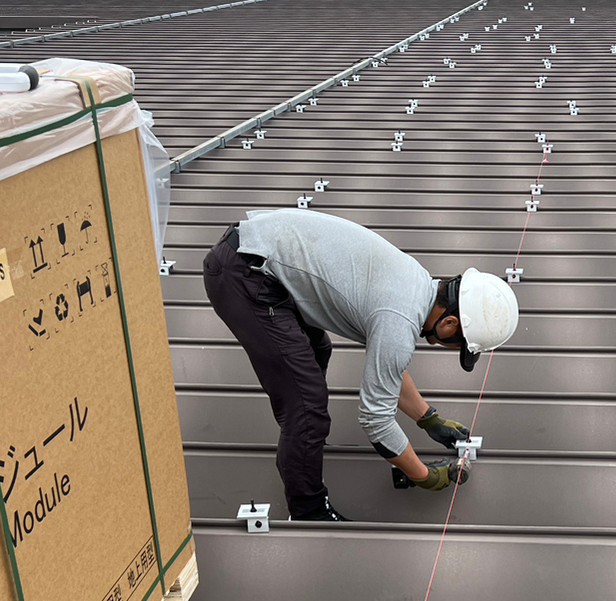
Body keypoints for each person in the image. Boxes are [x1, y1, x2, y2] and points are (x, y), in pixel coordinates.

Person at [201, 209, 519, 521]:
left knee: (317, 352)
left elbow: (387, 369)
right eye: (459, 346)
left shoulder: (419, 285)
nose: (453, 349)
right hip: (245, 274)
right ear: (449, 324)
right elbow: (375, 420)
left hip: (259, 256)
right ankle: (308, 509)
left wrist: (428, 419)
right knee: (307, 404)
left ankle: (303, 443)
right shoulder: (399, 320)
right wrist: (423, 475)